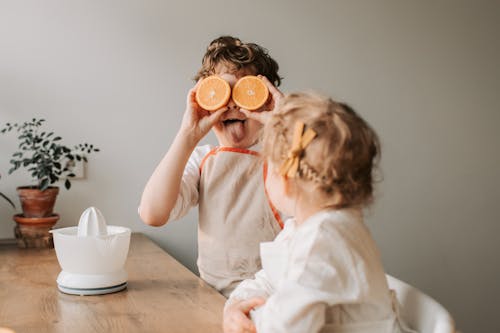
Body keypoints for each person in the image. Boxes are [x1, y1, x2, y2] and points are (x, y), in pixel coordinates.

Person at [223, 92, 411, 333]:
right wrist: (237, 306)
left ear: (286, 178)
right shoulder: (305, 228)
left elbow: (285, 328)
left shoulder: (324, 238)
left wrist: (250, 318)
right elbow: (267, 280)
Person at [139, 36, 285, 297]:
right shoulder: (203, 159)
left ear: (266, 97)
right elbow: (153, 214)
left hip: (273, 301)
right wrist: (187, 135)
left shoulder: (284, 156)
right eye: (221, 92)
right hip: (212, 299)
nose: (231, 104)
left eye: (245, 92)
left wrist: (285, 127)